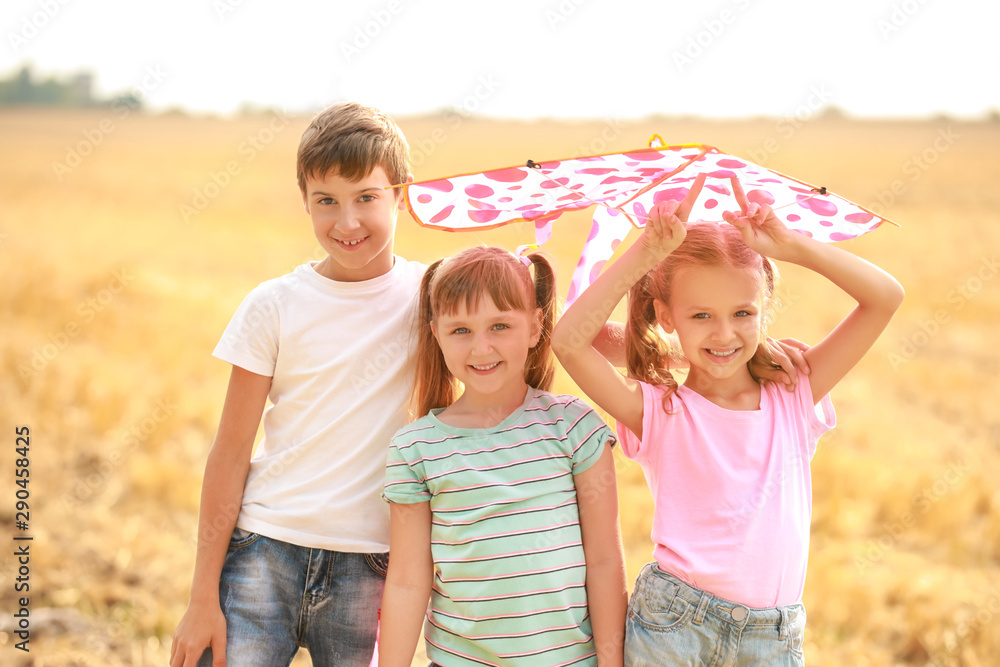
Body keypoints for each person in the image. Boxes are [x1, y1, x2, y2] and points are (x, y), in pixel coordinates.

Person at [551, 174, 904, 665]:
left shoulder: (793, 392)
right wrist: (646, 254)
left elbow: (885, 296)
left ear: (764, 310)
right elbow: (570, 340)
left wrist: (793, 247)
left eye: (743, 313)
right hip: (674, 628)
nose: (725, 332)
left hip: (772, 640)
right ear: (666, 315)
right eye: (701, 316)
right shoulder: (662, 410)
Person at [170, 102, 424, 667]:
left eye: (366, 197)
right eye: (325, 201)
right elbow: (231, 451)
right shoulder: (274, 305)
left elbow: (521, 331)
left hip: (374, 563)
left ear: (402, 193)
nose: (347, 222)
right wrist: (200, 597)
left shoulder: (433, 296)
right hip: (264, 549)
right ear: (305, 200)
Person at [379, 246, 629, 667]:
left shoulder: (573, 427)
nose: (481, 348)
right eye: (461, 330)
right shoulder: (415, 449)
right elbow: (406, 581)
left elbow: (605, 562)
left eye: (499, 326)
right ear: (436, 332)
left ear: (535, 328)